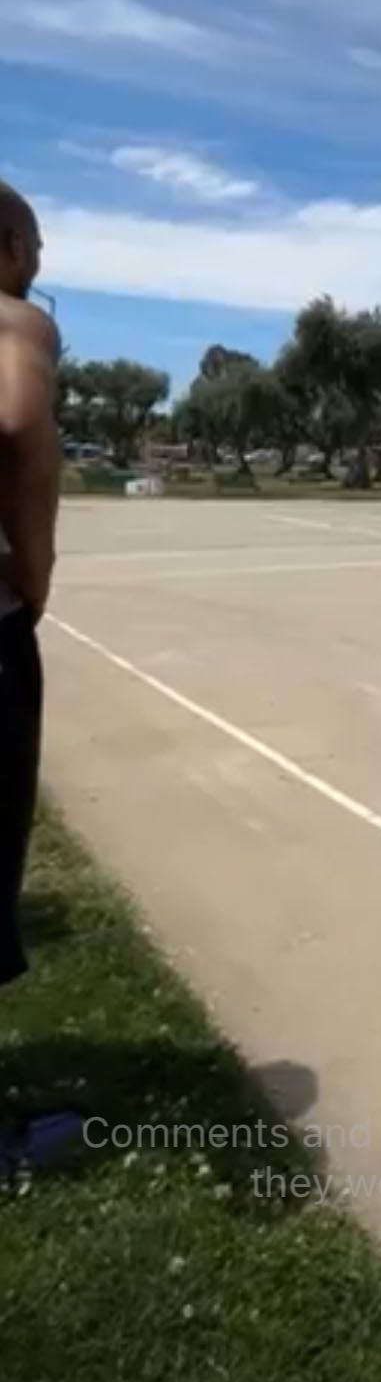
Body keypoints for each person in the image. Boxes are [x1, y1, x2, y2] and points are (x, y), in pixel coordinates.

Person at [0, 181, 60, 990]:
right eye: (37, 245)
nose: (42, 259)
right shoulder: (16, 319)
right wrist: (33, 572)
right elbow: (16, 422)